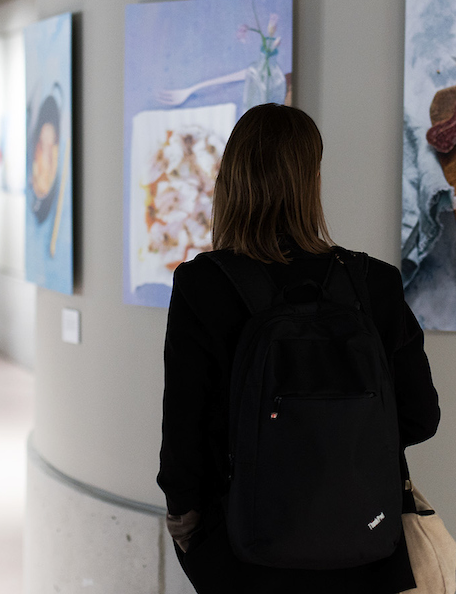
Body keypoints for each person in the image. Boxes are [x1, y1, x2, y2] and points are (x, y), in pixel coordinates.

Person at [158, 104, 441, 594]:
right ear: (312, 180)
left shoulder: (203, 285)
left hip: (245, 553)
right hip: (367, 549)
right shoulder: (375, 283)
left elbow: (184, 436)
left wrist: (191, 533)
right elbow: (420, 418)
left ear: (232, 179)